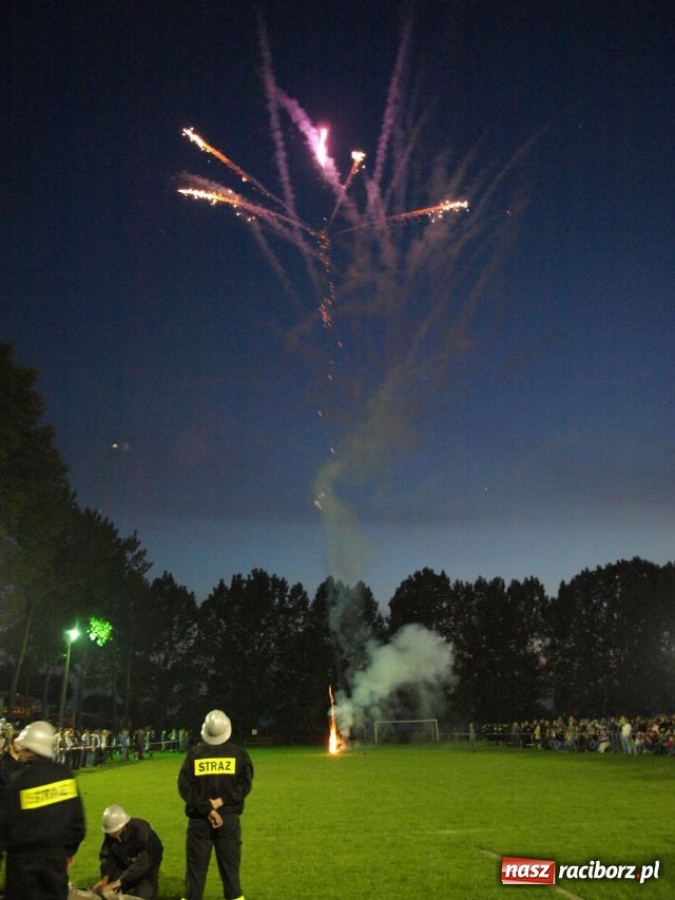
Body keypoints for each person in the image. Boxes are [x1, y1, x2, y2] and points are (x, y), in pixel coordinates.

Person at [0, 720, 85, 900]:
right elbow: (78, 824)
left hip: (22, 866)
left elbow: (5, 824)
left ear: (32, 749)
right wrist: (69, 851)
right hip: (55, 863)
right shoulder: (65, 775)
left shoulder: (18, 781)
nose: (20, 751)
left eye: (24, 747)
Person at [178, 710, 254, 900]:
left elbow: (185, 787)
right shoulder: (239, 755)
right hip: (228, 820)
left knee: (195, 877)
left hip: (199, 821)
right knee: (231, 876)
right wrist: (221, 802)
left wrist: (207, 809)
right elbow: (244, 785)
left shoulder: (194, 755)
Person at [90, 804, 163, 900]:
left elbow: (144, 861)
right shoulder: (111, 833)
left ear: (124, 826)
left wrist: (120, 881)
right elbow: (108, 856)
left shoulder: (142, 832)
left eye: (114, 832)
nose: (111, 835)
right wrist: (105, 878)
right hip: (125, 863)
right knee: (105, 892)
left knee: (142, 896)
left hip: (147, 868)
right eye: (109, 833)